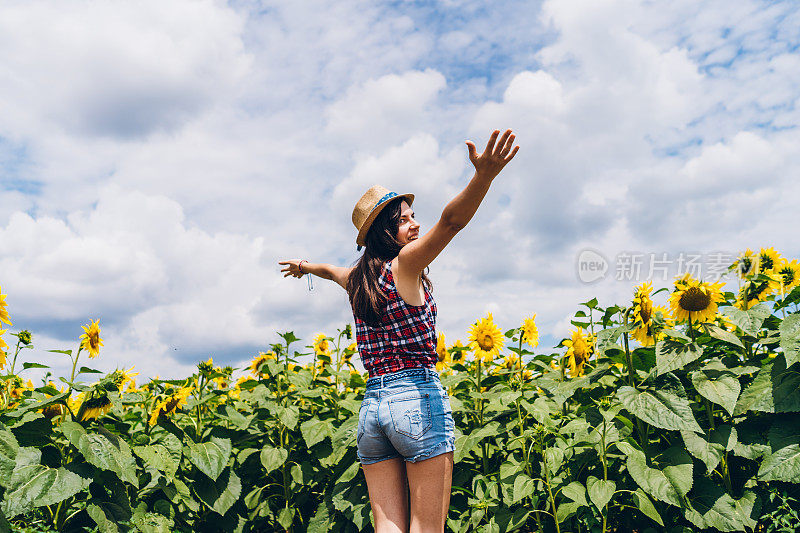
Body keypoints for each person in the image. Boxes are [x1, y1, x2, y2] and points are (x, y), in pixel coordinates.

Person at [279, 129, 519, 533]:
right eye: (403, 220)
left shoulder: (356, 278)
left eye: (412, 217)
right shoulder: (405, 265)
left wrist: (305, 267)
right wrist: (484, 177)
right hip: (415, 401)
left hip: (373, 410)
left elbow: (328, 269)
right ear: (384, 232)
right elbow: (451, 222)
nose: (415, 224)